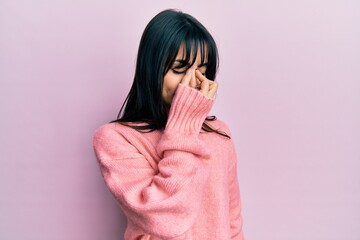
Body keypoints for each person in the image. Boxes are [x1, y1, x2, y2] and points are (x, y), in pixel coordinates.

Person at [92, 9, 245, 240]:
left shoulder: (220, 135)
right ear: (151, 69)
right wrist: (185, 125)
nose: (191, 82)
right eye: (179, 69)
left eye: (202, 70)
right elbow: (166, 219)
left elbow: (232, 223)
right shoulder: (116, 138)